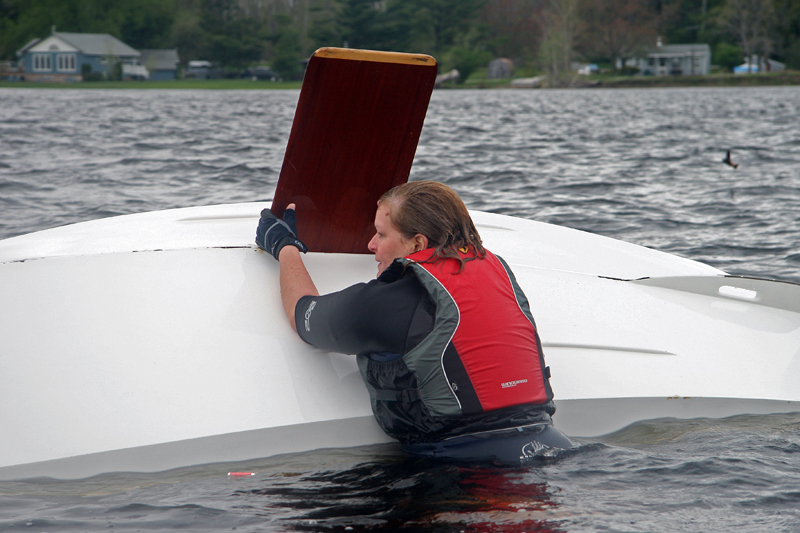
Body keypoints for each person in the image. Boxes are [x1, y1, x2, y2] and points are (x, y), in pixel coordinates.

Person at [256, 181, 574, 464]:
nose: (371, 244)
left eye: (381, 234)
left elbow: (304, 313)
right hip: (550, 445)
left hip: (466, 469)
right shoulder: (498, 272)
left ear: (418, 245)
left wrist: (285, 248)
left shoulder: (386, 303)